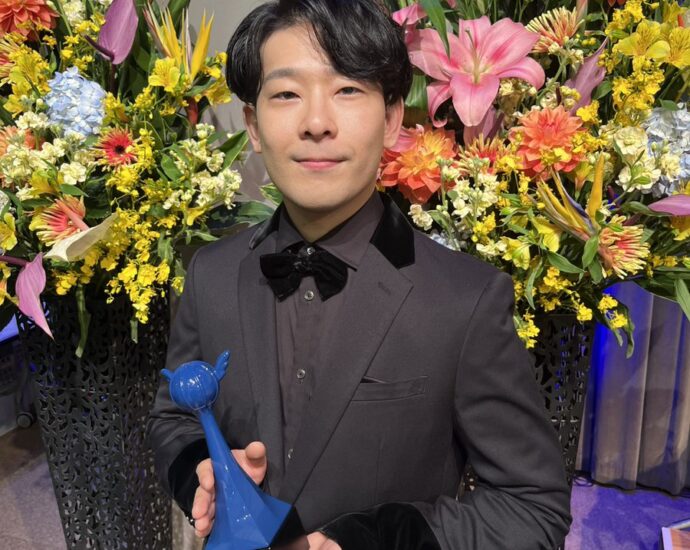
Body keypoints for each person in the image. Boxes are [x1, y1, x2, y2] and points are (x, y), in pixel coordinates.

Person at [147, 1, 572, 548]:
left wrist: (381, 537)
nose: (316, 123)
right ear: (252, 125)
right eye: (286, 94)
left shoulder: (463, 301)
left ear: (392, 118)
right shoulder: (211, 274)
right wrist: (198, 472)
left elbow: (532, 507)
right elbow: (174, 417)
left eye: (347, 90)